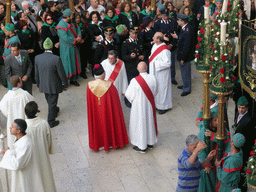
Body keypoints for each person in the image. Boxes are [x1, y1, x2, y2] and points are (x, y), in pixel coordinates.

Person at [87, 64, 129, 151]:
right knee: (109, 121)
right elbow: (116, 104)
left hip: (96, 111)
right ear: (104, 74)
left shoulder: (89, 86)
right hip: (108, 112)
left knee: (97, 122)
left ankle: (99, 144)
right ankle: (111, 143)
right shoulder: (110, 86)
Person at [35, 38, 68, 128]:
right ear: (52, 47)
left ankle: (55, 110)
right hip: (54, 85)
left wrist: (38, 84)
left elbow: (36, 74)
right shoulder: (56, 59)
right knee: (53, 102)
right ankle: (51, 121)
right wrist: (65, 84)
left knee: (50, 100)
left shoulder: (37, 58)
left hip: (43, 84)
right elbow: (62, 73)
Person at [125, 62, 157, 153]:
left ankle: (142, 146)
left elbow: (128, 94)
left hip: (138, 107)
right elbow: (155, 91)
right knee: (149, 122)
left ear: (137, 69)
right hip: (149, 105)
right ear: (146, 68)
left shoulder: (134, 81)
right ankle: (150, 143)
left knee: (140, 124)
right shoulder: (153, 78)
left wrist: (134, 101)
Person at [25, 101, 57, 192]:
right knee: (46, 176)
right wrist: (49, 149)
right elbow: (49, 139)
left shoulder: (25, 127)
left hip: (31, 158)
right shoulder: (44, 123)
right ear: (36, 111)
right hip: (43, 154)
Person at [0, 75, 34, 149]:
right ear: (19, 84)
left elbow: (2, 107)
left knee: (13, 143)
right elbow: (32, 104)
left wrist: (8, 114)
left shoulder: (7, 96)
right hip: (24, 119)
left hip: (12, 120)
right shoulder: (25, 94)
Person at [0, 119, 34, 192]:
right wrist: (8, 152)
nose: (9, 127)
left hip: (24, 176)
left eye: (12, 126)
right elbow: (18, 154)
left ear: (18, 131)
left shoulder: (25, 143)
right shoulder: (20, 139)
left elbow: (17, 164)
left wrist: (8, 153)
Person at [233, 96, 256, 191]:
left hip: (244, 149)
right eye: (239, 107)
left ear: (247, 108)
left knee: (242, 169)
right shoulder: (237, 114)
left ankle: (242, 189)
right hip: (239, 145)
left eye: (243, 108)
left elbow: (249, 138)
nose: (240, 110)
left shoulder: (248, 120)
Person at [56, 8, 82, 86]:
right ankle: (64, 82)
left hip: (74, 46)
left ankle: (73, 80)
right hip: (66, 48)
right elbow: (65, 37)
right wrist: (75, 40)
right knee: (67, 64)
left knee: (74, 63)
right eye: (71, 15)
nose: (72, 17)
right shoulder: (60, 26)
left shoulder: (72, 22)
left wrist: (79, 36)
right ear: (68, 16)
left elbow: (78, 29)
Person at [121, 26, 145, 107]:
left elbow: (144, 50)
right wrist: (130, 56)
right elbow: (123, 57)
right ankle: (127, 100)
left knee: (138, 84)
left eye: (136, 33)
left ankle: (137, 98)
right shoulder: (125, 43)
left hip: (139, 66)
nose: (134, 35)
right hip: (130, 67)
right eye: (132, 33)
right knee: (130, 84)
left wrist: (143, 56)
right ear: (129, 33)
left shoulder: (140, 41)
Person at [149, 32, 172, 114]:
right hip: (154, 72)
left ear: (158, 39)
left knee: (162, 90)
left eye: (154, 37)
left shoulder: (165, 50)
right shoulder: (154, 46)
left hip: (162, 74)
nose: (152, 38)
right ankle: (156, 104)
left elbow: (168, 63)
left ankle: (164, 106)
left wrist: (157, 64)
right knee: (156, 89)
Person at [171, 13, 194, 96]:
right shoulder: (184, 29)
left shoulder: (187, 30)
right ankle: (185, 85)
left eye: (178, 20)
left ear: (182, 21)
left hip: (185, 56)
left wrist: (183, 58)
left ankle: (187, 88)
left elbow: (186, 46)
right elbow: (182, 39)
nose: (177, 21)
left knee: (186, 72)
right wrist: (177, 37)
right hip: (183, 55)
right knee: (183, 71)